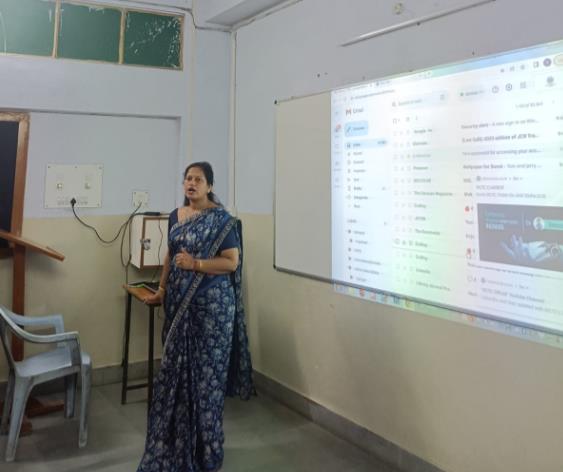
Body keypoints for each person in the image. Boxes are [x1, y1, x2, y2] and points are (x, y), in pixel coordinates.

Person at [137, 162, 253, 472]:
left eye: (198, 179)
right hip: (179, 306)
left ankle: (206, 452)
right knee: (173, 378)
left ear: (209, 186)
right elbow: (170, 255)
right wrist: (161, 290)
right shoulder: (176, 216)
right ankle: (177, 446)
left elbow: (231, 263)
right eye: (188, 178)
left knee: (205, 383)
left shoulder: (222, 221)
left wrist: (196, 264)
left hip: (212, 311)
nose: (191, 183)